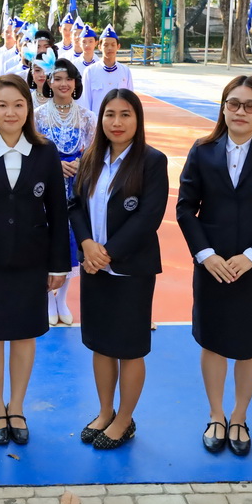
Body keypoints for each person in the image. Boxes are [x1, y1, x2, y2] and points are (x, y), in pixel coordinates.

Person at [176, 76, 252, 457]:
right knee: (212, 342)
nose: (240, 111)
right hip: (212, 268)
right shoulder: (202, 151)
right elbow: (185, 208)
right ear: (223, 107)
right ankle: (216, 414)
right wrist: (206, 255)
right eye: (233, 103)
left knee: (249, 346)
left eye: (250, 105)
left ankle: (239, 416)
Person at [0, 75, 70, 447]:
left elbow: (58, 211)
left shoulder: (45, 151)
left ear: (29, 108)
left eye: (18, 105)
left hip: (31, 260)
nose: (10, 112)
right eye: (2, 105)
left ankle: (17, 406)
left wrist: (58, 265)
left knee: (24, 336)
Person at [68, 89, 169, 450]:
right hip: (94, 269)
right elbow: (74, 205)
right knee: (101, 345)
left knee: (129, 348)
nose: (117, 122)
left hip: (130, 271)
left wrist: (107, 253)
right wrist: (86, 243)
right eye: (110, 114)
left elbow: (147, 218)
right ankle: (105, 411)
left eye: (125, 114)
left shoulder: (152, 161)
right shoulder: (91, 157)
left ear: (137, 119)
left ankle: (125, 420)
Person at [34, 59, 96, 326]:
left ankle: (62, 300)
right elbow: (32, 151)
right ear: (49, 82)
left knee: (71, 239)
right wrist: (53, 165)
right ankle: (48, 299)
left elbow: (94, 151)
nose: (63, 84)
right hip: (46, 187)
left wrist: (81, 164)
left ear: (75, 83)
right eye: (58, 78)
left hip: (75, 187)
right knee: (47, 236)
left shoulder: (87, 117)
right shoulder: (37, 115)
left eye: (68, 79)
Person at [80, 25, 132, 111]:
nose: (109, 48)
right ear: (100, 47)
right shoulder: (90, 71)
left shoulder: (125, 71)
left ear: (118, 47)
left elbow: (130, 100)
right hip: (97, 118)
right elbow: (86, 101)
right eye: (106, 45)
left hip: (118, 118)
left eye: (113, 45)